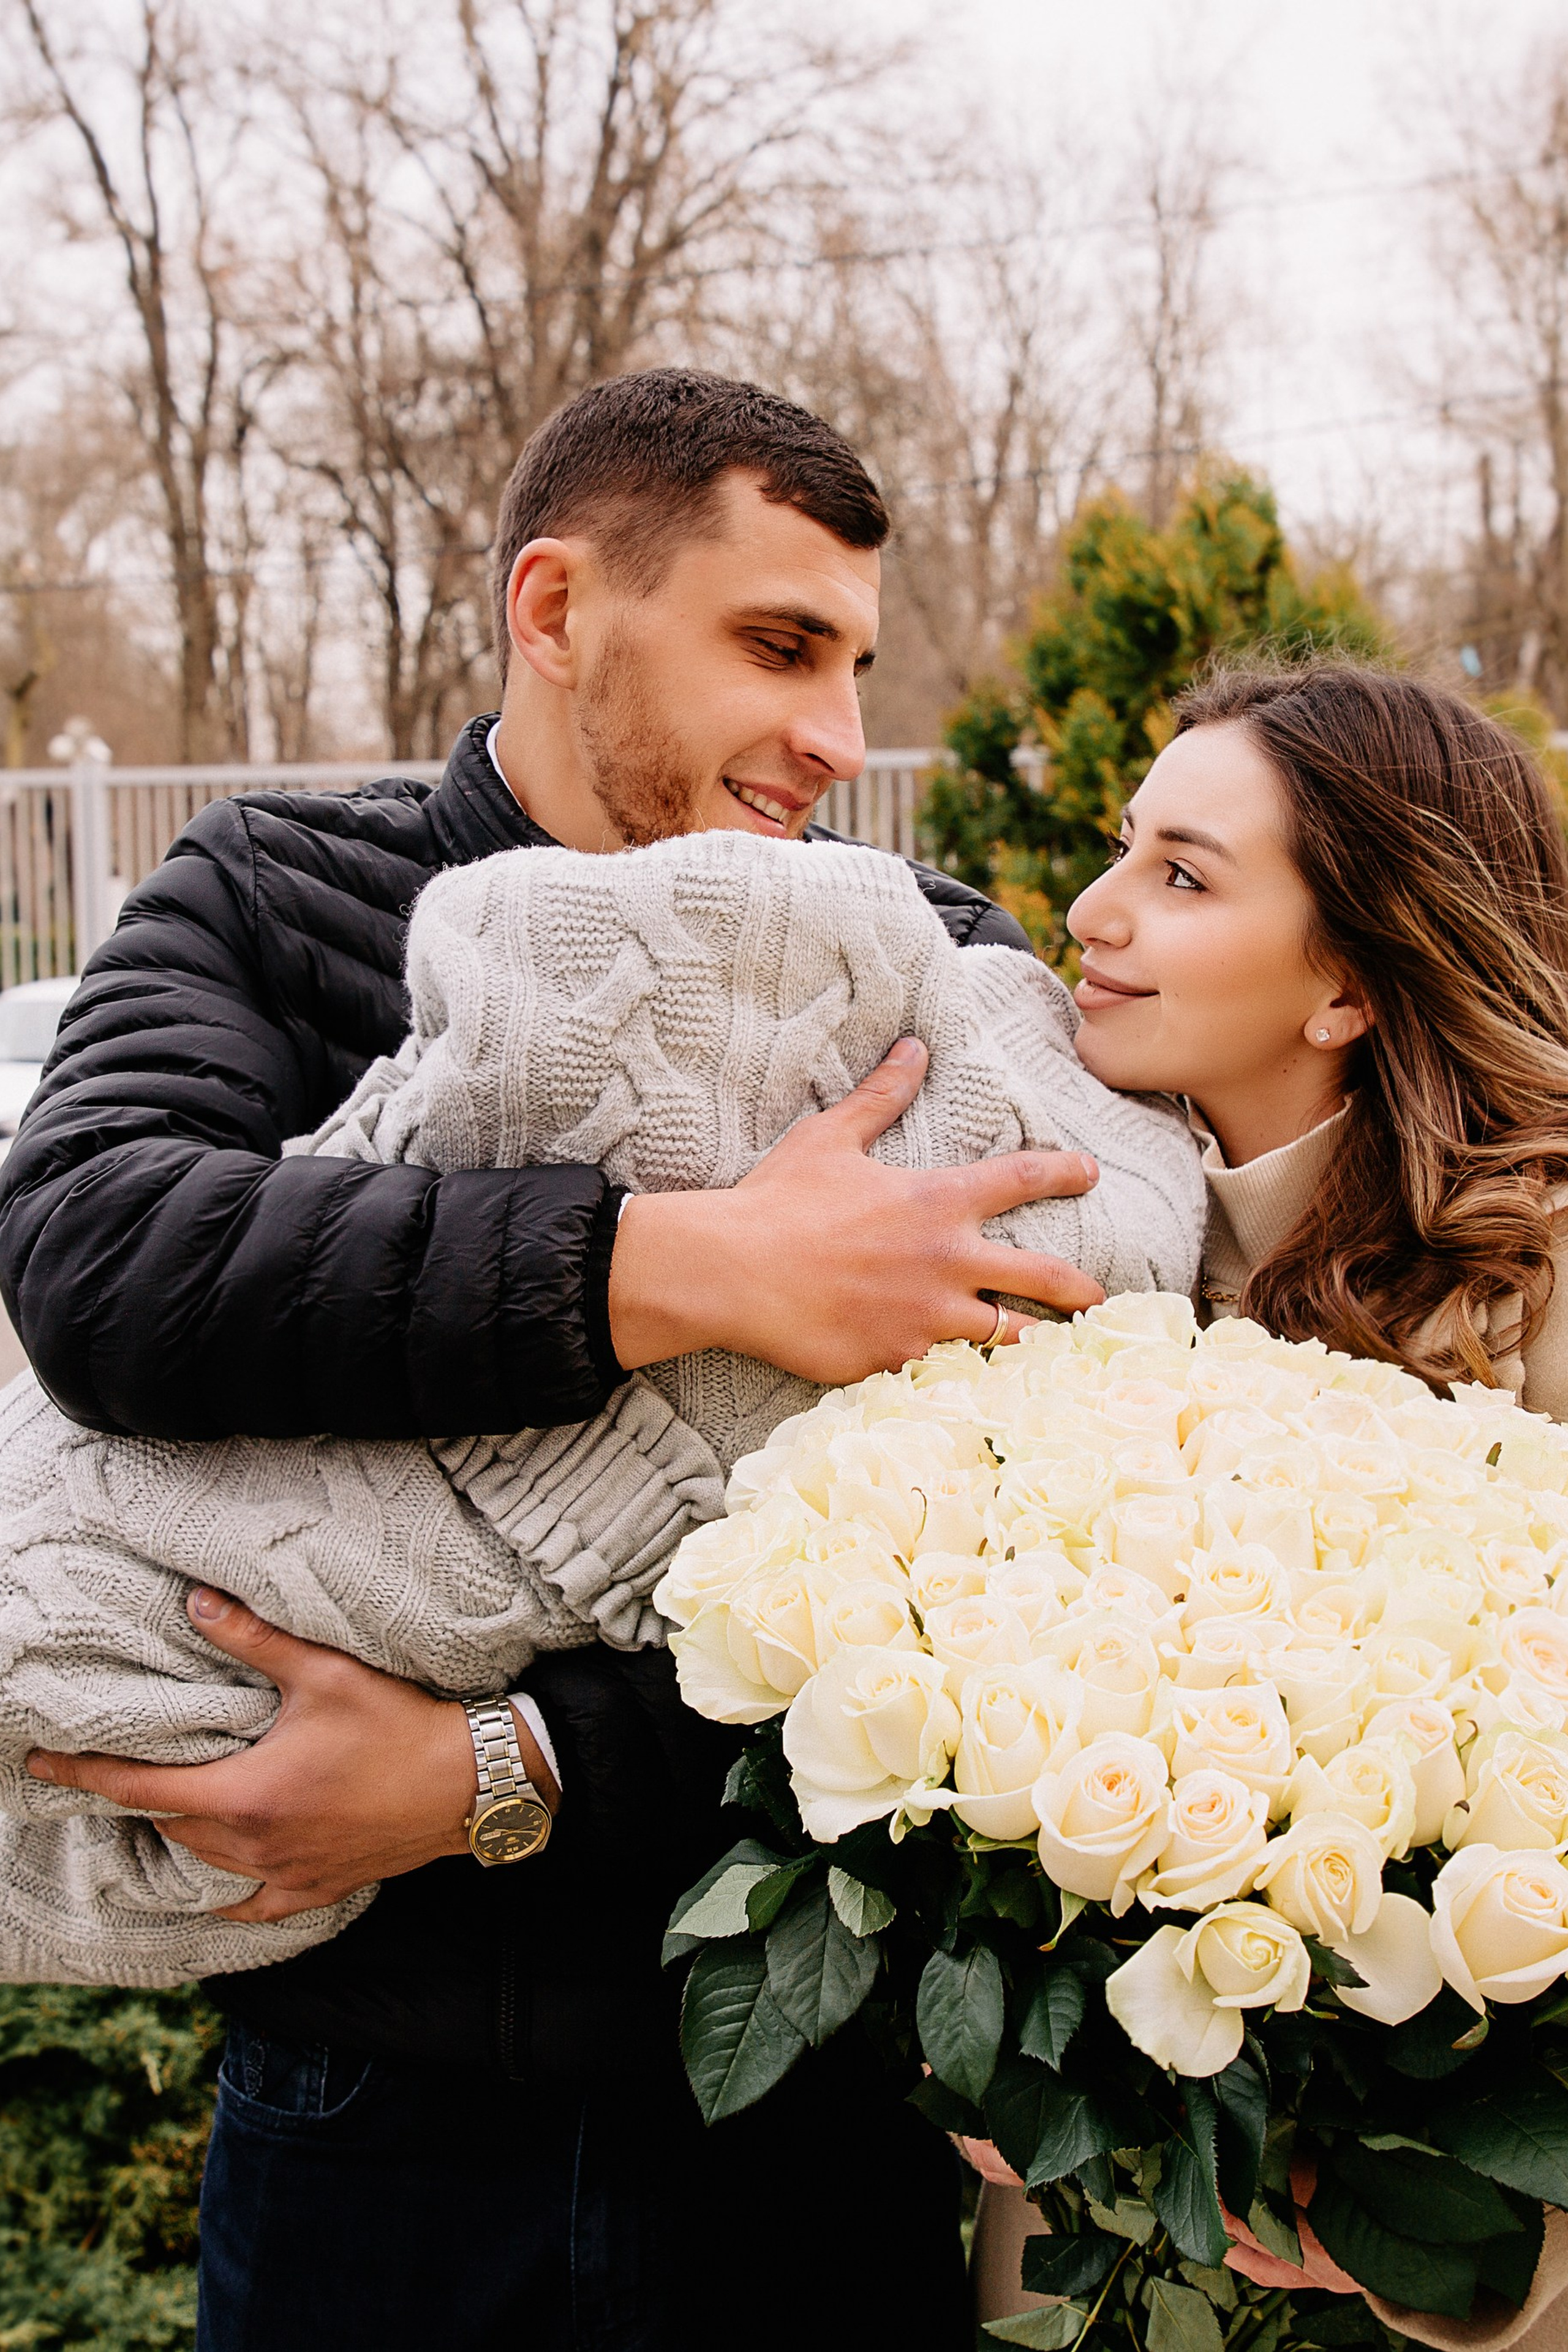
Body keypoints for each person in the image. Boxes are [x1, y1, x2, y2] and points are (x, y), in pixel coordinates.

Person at [0, 369, 1112, 2350]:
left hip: (807, 2133)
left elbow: (1016, 1585)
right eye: (778, 647)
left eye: (853, 664)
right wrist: (670, 1266)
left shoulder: (926, 960)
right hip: (368, 2130)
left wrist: (505, 1775)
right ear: (556, 606)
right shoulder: (271, 894)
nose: (835, 737)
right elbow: (99, 1264)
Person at [974, 659, 1568, 2350]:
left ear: (1349, 991)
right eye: (1122, 849)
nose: (1093, 911)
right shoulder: (1041, 1233)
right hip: (1073, 2248)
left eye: (1184, 875)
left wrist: (1513, 2271)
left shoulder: (1544, 1268)